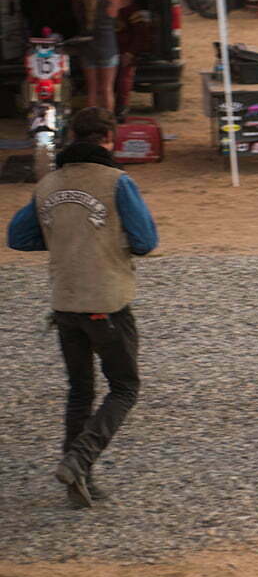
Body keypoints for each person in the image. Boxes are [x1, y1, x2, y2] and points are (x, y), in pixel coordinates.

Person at [6, 107, 158, 509]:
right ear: (110, 139)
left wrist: (66, 241)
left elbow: (18, 237)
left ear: (73, 137)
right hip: (108, 301)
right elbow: (144, 240)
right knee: (124, 387)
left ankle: (78, 479)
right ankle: (79, 459)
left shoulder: (49, 183)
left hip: (65, 302)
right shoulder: (118, 182)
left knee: (79, 391)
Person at [72, 0, 130, 112]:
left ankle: (91, 121)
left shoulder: (77, 0)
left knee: (91, 90)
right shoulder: (113, 1)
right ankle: (107, 122)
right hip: (107, 49)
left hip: (87, 48)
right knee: (106, 89)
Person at [106, 0, 152, 121]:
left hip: (124, 51)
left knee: (123, 82)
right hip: (105, 53)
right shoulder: (97, 7)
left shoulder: (129, 8)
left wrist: (131, 53)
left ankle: (121, 111)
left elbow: (141, 33)